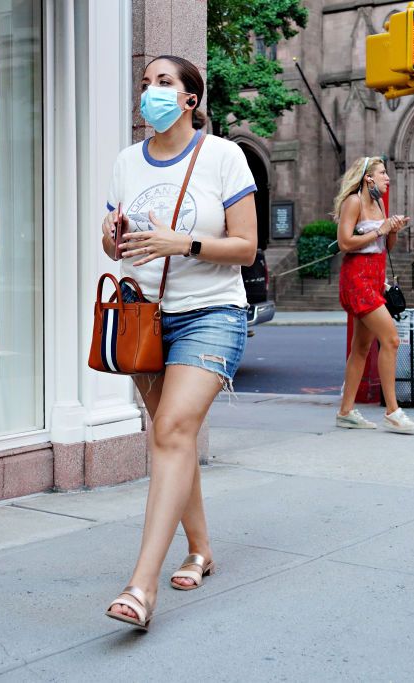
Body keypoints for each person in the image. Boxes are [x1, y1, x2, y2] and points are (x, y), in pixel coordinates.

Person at [99, 55, 258, 630]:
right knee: (175, 437)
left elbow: (245, 247)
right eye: (145, 84)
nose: (151, 93)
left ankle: (141, 586)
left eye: (164, 83)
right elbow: (116, 242)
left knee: (170, 431)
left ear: (191, 98)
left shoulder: (222, 156)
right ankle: (201, 550)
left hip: (212, 313)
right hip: (145, 316)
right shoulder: (125, 162)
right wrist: (112, 240)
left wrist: (181, 243)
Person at [334, 156, 414, 434]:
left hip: (373, 277)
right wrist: (380, 230)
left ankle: (346, 411)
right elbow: (345, 242)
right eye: (383, 173)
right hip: (357, 278)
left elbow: (386, 246)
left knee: (360, 348)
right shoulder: (354, 202)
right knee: (391, 339)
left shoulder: (380, 203)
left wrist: (392, 230)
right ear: (368, 178)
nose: (387, 178)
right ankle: (393, 412)